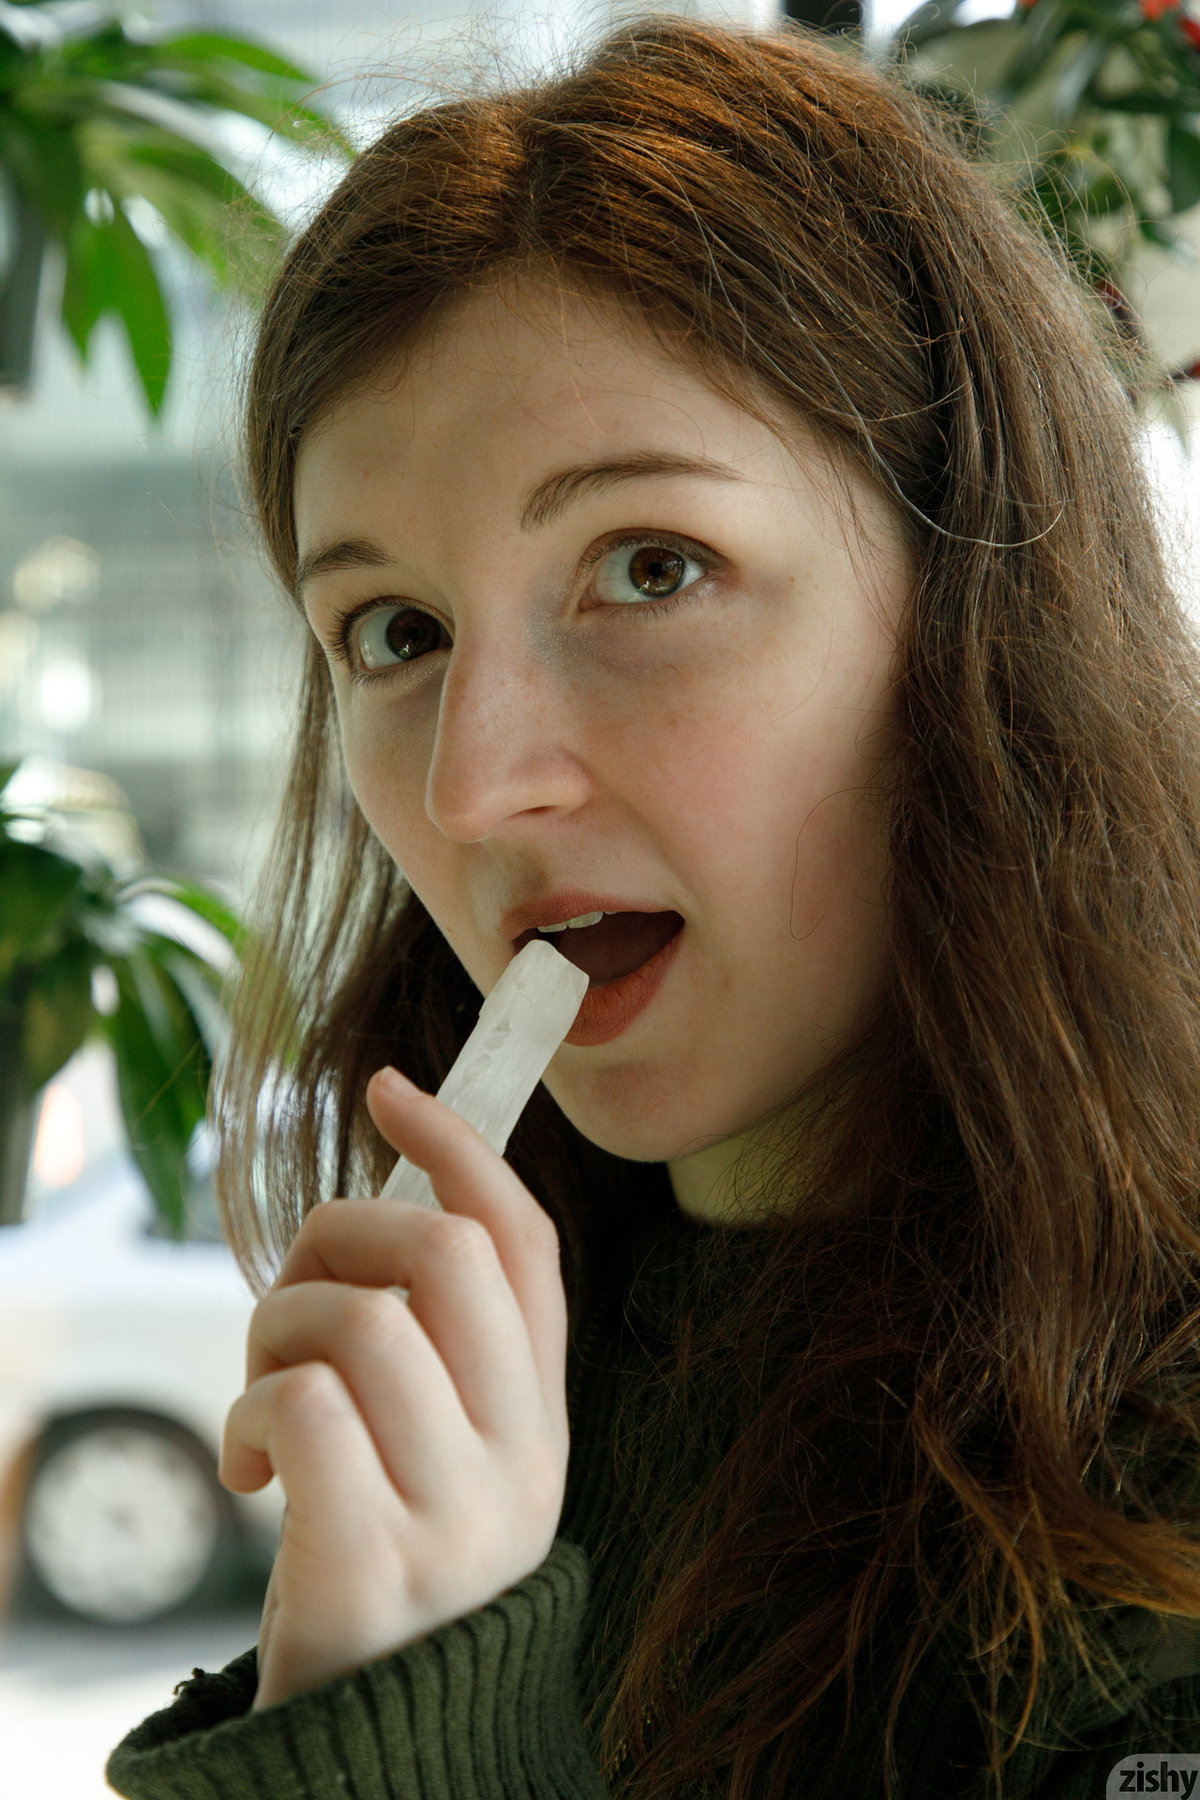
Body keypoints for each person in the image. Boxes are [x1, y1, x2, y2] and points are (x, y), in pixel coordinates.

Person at [107, 14, 1200, 1799]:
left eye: (650, 567)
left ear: (980, 616)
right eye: (396, 631)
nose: (473, 786)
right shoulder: (514, 1390)